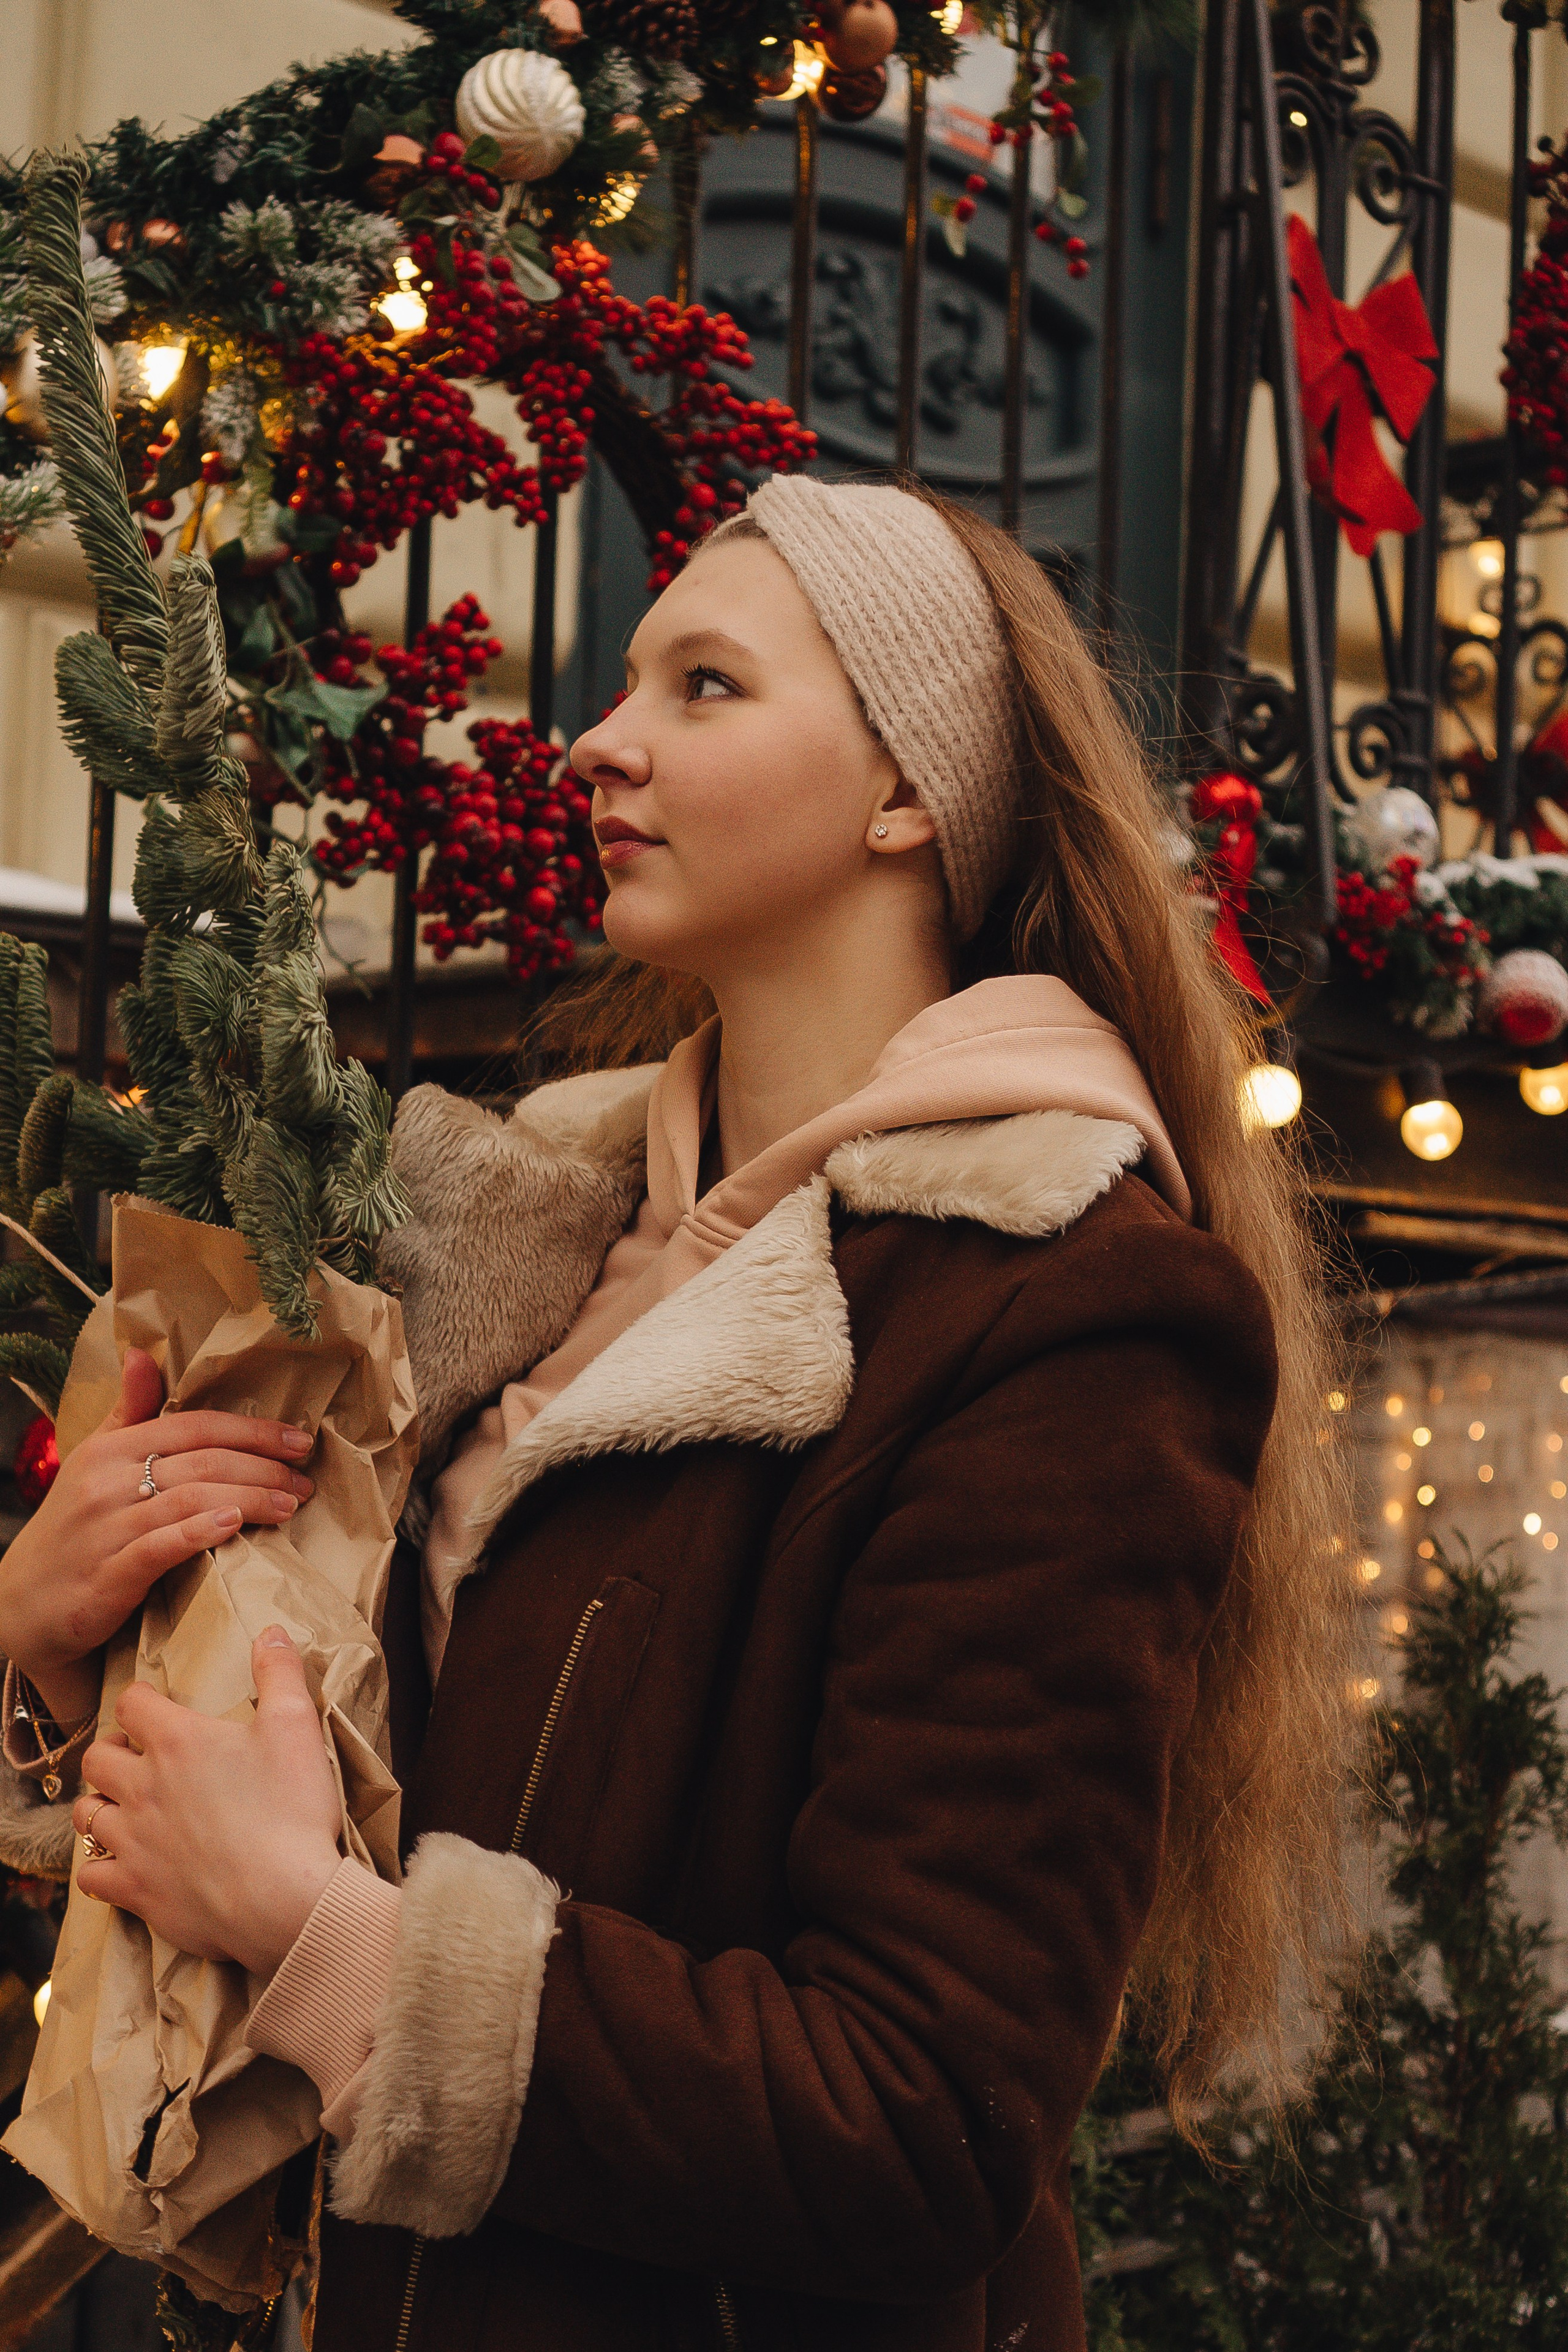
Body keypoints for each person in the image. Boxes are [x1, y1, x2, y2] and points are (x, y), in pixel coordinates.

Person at [0, 477, 1354, 2352]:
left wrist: (337, 1946)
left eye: (704, 687)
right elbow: (331, 1793)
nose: (598, 743)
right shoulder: (525, 1235)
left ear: (906, 793)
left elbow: (922, 2126)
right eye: (628, 679)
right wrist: (69, 1653)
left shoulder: (1063, 1301)